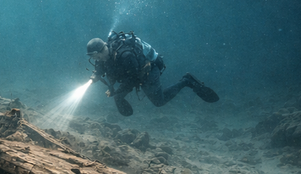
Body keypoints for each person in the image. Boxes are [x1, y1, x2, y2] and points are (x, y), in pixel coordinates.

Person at [86, 31, 218, 116]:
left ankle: (186, 81)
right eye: (95, 59)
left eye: (97, 57)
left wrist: (117, 91)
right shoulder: (104, 56)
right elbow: (101, 68)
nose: (97, 60)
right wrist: (94, 77)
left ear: (103, 49)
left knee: (159, 101)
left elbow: (133, 80)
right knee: (118, 96)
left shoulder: (126, 56)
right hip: (133, 74)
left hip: (149, 69)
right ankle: (119, 98)